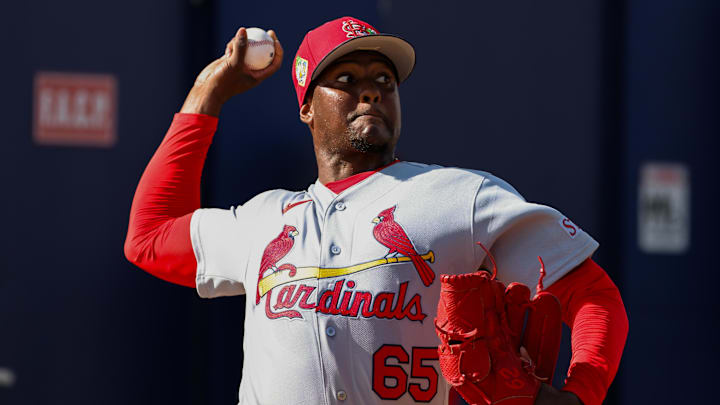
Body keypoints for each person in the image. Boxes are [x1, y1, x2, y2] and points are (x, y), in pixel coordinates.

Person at [125, 17, 628, 405]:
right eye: (345, 79)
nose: (371, 90)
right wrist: (208, 91)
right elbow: (148, 238)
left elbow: (592, 293)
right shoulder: (264, 221)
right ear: (306, 107)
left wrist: (581, 392)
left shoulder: (459, 197)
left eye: (384, 81)